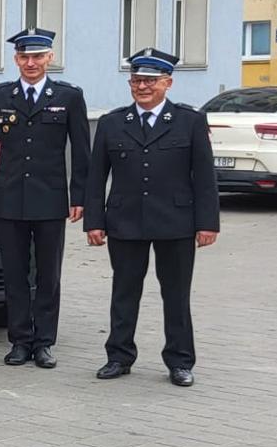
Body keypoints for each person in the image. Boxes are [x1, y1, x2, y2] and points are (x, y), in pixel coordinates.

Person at [86, 48, 219, 387]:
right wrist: (94, 221)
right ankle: (119, 356)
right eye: (136, 81)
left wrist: (207, 223)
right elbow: (96, 177)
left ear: (167, 83)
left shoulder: (189, 121)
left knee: (176, 295)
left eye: (150, 81)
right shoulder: (113, 122)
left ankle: (180, 361)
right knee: (124, 292)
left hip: (175, 221)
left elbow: (204, 177)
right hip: (125, 221)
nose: (142, 87)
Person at [0, 28, 88, 370]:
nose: (31, 63)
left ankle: (44, 342)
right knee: (14, 274)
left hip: (50, 200)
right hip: (9, 200)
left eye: (38, 56)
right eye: (25, 57)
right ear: (16, 60)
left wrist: (79, 196)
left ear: (50, 58)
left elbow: (81, 151)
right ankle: (20, 341)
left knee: (48, 275)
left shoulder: (69, 97)